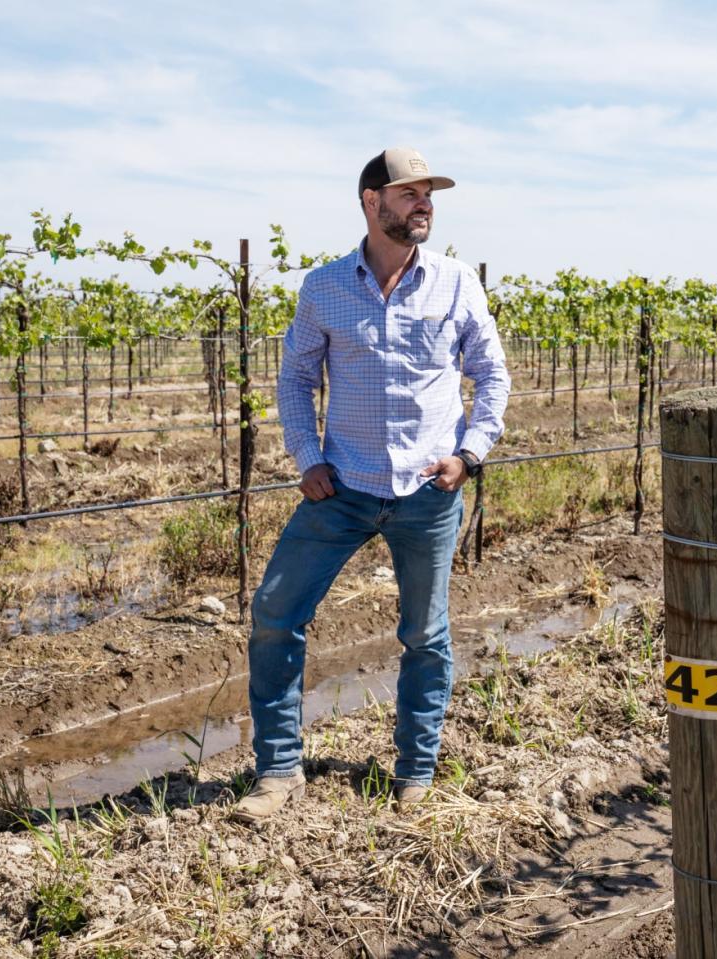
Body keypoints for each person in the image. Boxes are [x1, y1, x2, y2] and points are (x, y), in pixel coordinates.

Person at [231, 147, 511, 820]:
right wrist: (306, 458)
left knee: (425, 634)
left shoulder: (455, 283)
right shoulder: (324, 288)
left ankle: (415, 770)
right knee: (275, 613)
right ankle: (277, 772)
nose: (425, 205)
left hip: (429, 492)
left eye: (429, 195)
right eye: (411, 193)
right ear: (371, 201)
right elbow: (295, 379)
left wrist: (469, 454)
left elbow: (493, 375)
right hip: (343, 488)